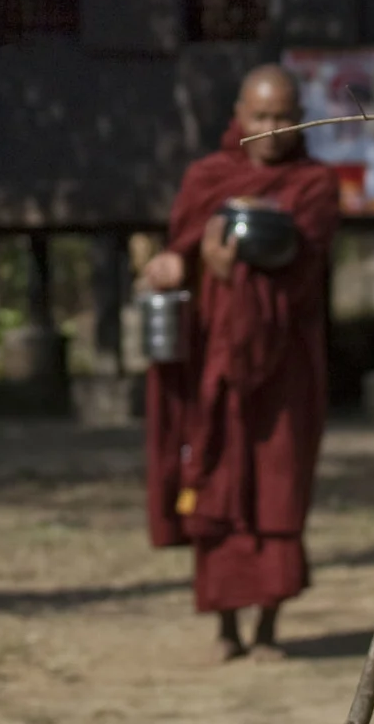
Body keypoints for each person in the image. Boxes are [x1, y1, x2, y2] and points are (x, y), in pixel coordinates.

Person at [139, 65, 343, 662]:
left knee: (277, 486)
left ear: (299, 116)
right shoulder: (208, 178)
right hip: (216, 364)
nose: (271, 129)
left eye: (282, 116)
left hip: (284, 367)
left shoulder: (314, 185)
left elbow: (303, 272)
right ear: (239, 115)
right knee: (217, 480)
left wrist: (236, 275)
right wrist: (176, 264)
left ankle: (268, 630)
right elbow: (182, 247)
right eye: (260, 116)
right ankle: (227, 630)